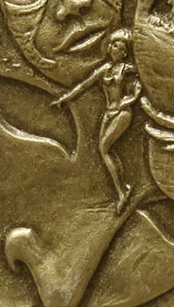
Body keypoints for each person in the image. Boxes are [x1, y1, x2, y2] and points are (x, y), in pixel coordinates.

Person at [52, 29, 141, 212]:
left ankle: (122, 193)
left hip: (122, 113)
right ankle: (123, 189)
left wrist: (127, 101)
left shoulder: (129, 70)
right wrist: (66, 98)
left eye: (118, 47)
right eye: (113, 45)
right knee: (105, 151)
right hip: (108, 113)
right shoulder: (105, 69)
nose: (114, 49)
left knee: (105, 148)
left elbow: (140, 89)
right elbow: (84, 85)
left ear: (124, 52)